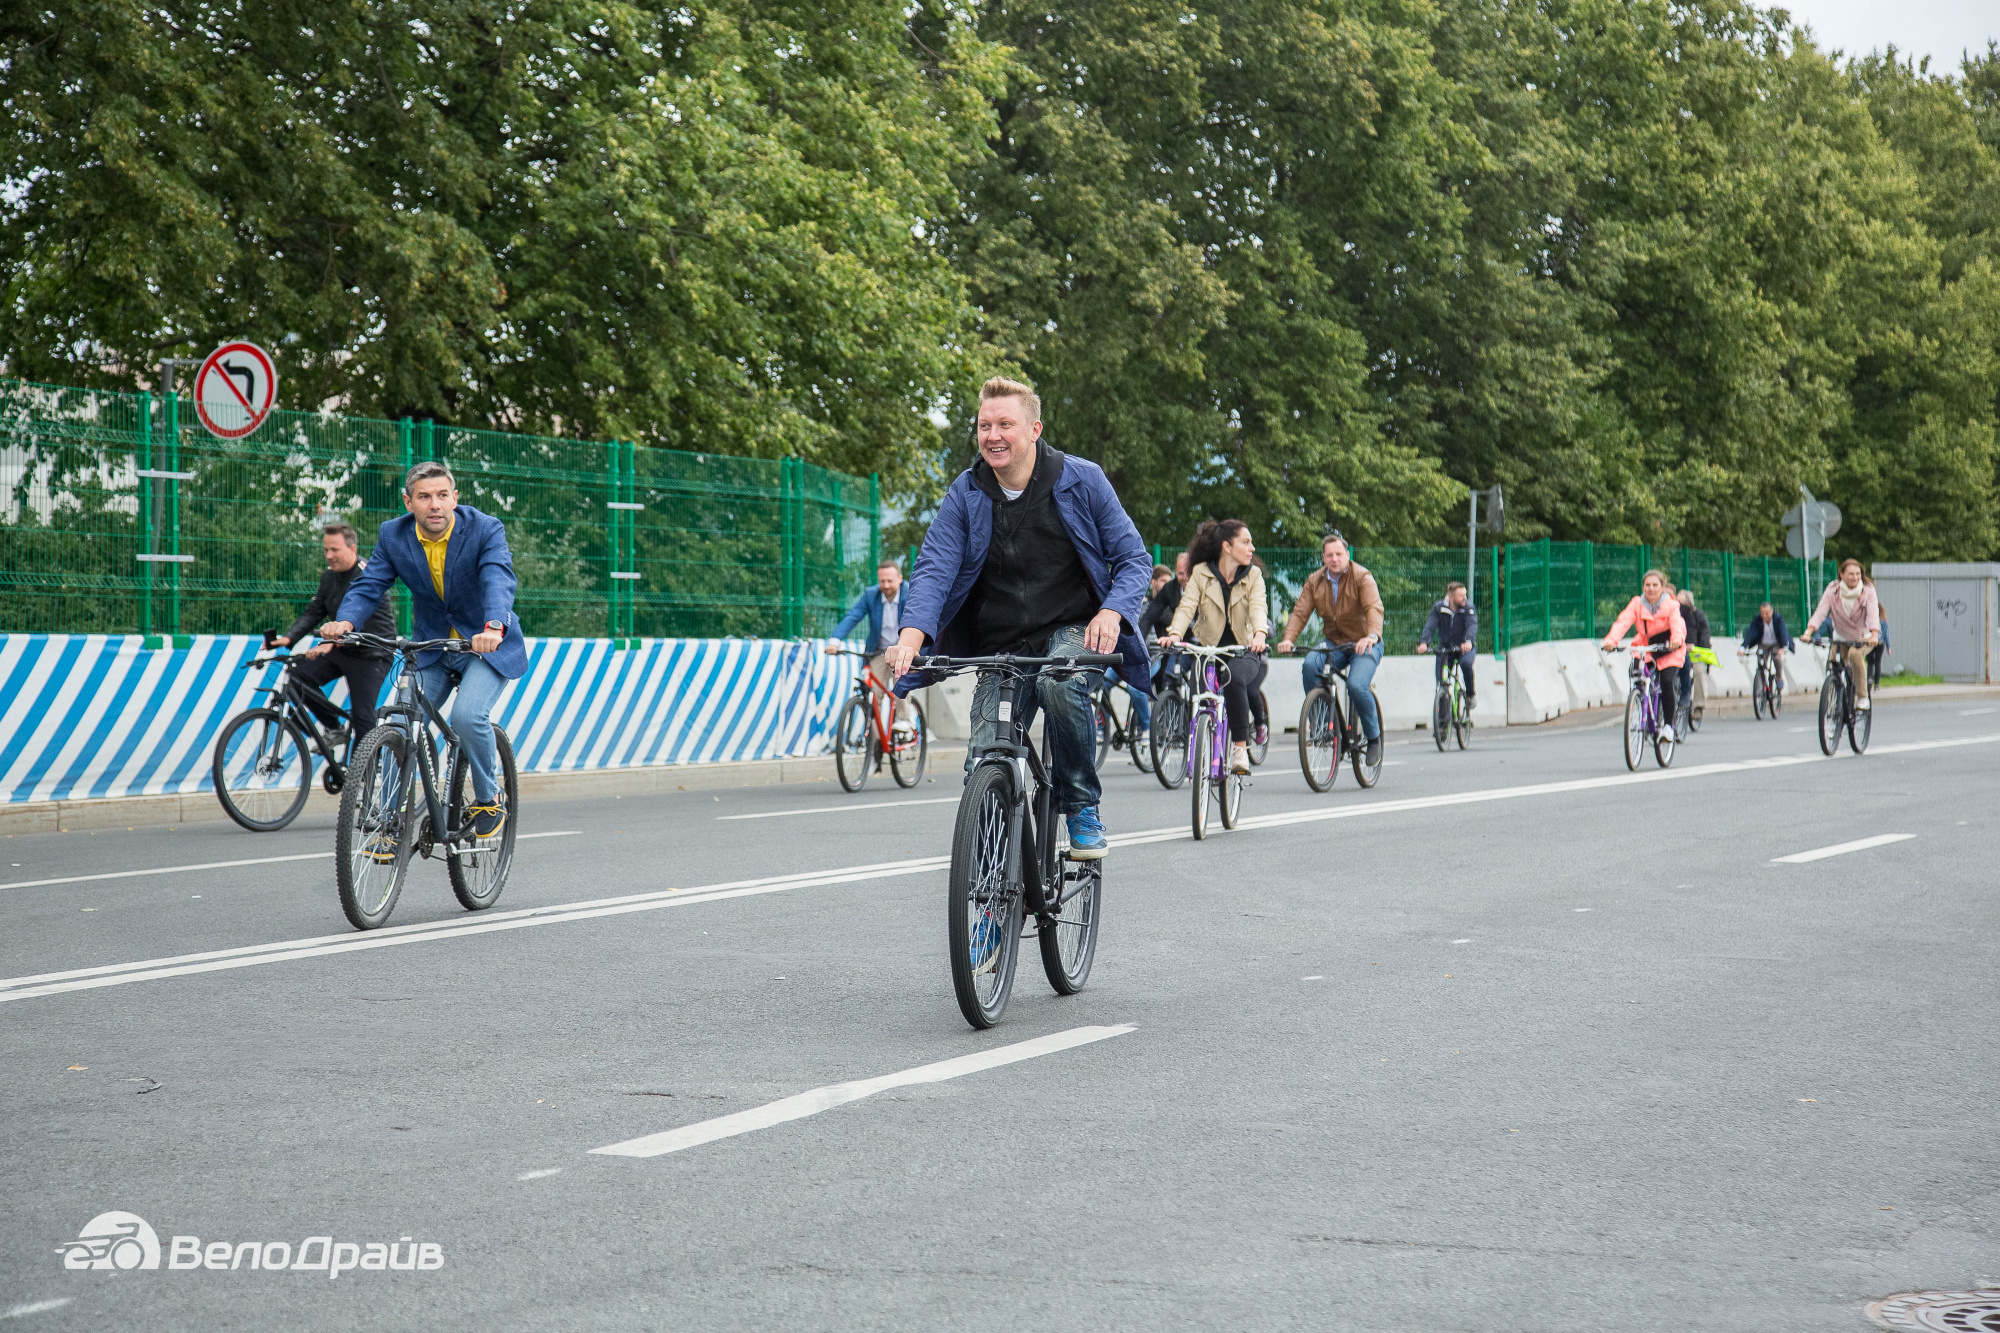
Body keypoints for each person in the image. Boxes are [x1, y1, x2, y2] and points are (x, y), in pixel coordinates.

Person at [883, 377, 1151, 859]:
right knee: (983, 763)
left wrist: (1112, 611)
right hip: (1003, 643)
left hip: (1072, 628)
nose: (992, 435)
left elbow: (1134, 558)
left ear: (1034, 429)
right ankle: (987, 901)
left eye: (1005, 424)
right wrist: (910, 636)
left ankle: (1081, 805)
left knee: (1059, 682)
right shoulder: (966, 492)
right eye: (984, 426)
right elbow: (934, 567)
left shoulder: (1082, 479)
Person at [320, 461, 526, 839]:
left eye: (443, 496)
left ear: (455, 498)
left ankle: (488, 796)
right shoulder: (393, 535)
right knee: (398, 725)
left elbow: (498, 578)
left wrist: (493, 626)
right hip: (431, 648)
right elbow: (370, 585)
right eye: (425, 497)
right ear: (408, 501)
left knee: (467, 717)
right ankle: (389, 824)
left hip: (484, 645)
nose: (435, 505)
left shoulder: (485, 528)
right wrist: (346, 622)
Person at [274, 522, 396, 754]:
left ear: (352, 548)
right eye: (325, 550)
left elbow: (363, 617)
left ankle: (365, 776)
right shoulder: (329, 577)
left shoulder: (368, 575)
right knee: (298, 677)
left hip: (373, 653)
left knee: (362, 716)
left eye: (335, 550)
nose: (328, 556)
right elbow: (316, 611)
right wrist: (288, 639)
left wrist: (331, 643)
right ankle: (334, 728)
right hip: (342, 650)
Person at [1161, 520, 1269, 774]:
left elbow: (1258, 607)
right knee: (1196, 690)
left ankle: (1239, 748)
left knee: (1234, 680)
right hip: (1210, 650)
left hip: (1244, 649)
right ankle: (1199, 745)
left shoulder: (1253, 575)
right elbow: (1187, 606)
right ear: (1227, 547)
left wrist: (1259, 634)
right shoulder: (1201, 572)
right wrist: (1175, 633)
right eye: (1245, 542)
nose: (1252, 547)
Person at [1276, 534, 1386, 766]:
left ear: (1347, 555)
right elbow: (1299, 613)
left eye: (1338, 554)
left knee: (1356, 685)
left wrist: (1372, 636)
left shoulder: (1362, 577)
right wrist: (1288, 639)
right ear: (1324, 558)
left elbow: (1373, 608)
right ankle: (1322, 725)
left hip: (1364, 642)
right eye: (1329, 555)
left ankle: (1374, 736)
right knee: (1310, 665)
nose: (1334, 559)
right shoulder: (1315, 581)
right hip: (1334, 642)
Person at [827, 557, 915, 735]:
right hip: (879, 652)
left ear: (900, 579)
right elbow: (853, 616)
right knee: (873, 693)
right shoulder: (871, 595)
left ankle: (905, 720)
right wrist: (835, 641)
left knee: (901, 681)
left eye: (890, 580)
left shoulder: (911, 593)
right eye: (882, 581)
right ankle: (875, 742)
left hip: (902, 649)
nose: (886, 585)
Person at [1602, 569, 1686, 741]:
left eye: (1655, 585)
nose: (1651, 589)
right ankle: (1639, 702)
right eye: (1647, 585)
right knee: (1635, 673)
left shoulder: (1671, 604)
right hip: (1646, 649)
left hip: (1669, 649)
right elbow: (1623, 621)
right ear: (1642, 587)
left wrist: (1676, 640)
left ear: (1662, 587)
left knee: (1667, 681)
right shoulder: (1637, 604)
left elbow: (1677, 624)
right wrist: (1611, 641)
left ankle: (1669, 727)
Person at [1804, 558, 1880, 712]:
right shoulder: (1833, 590)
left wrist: (1874, 634)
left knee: (1854, 655)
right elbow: (1821, 612)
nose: (1855, 577)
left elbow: (1873, 613)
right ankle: (1833, 700)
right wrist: (1809, 631)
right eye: (1851, 574)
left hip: (1863, 636)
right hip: (1841, 636)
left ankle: (1862, 696)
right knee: (1834, 664)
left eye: (1858, 574)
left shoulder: (1868, 590)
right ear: (1842, 575)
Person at [1415, 581, 1478, 714]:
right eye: (1461, 596)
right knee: (1441, 683)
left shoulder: (1468, 607)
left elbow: (1472, 625)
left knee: (1466, 664)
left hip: (1464, 648)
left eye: (1465, 595)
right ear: (1451, 597)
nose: (1464, 598)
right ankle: (1442, 726)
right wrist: (1424, 643)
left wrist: (1468, 642)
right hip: (1446, 650)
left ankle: (1470, 695)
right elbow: (1430, 625)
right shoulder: (1439, 608)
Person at [1675, 589, 1711, 716]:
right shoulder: (1674, 615)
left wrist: (1696, 647)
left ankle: (1699, 706)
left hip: (1695, 652)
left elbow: (1705, 635)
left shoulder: (1698, 615)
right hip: (1678, 652)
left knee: (1699, 671)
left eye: (1679, 600)